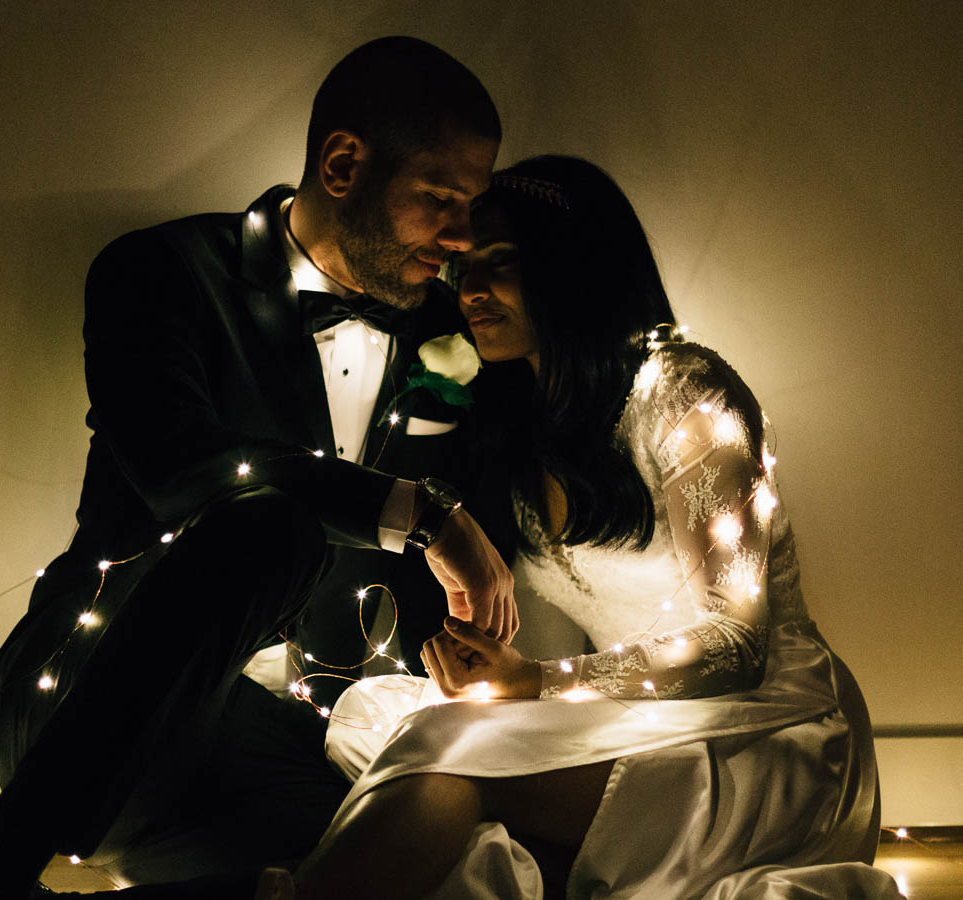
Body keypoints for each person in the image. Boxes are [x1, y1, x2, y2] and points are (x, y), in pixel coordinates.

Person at [0, 37, 519, 900]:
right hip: (81, 706)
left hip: (277, 746)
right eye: (438, 199)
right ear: (343, 166)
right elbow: (181, 471)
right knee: (270, 523)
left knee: (421, 862)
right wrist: (419, 511)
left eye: (472, 207)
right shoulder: (161, 273)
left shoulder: (448, 329)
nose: (460, 238)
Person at [280, 156, 903, 899]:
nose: (470, 290)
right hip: (629, 713)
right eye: (463, 268)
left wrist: (541, 684)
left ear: (571, 267)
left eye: (501, 262)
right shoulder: (522, 419)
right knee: (378, 716)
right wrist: (499, 673)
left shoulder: (687, 395)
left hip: (765, 731)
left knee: (443, 752)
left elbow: (736, 646)